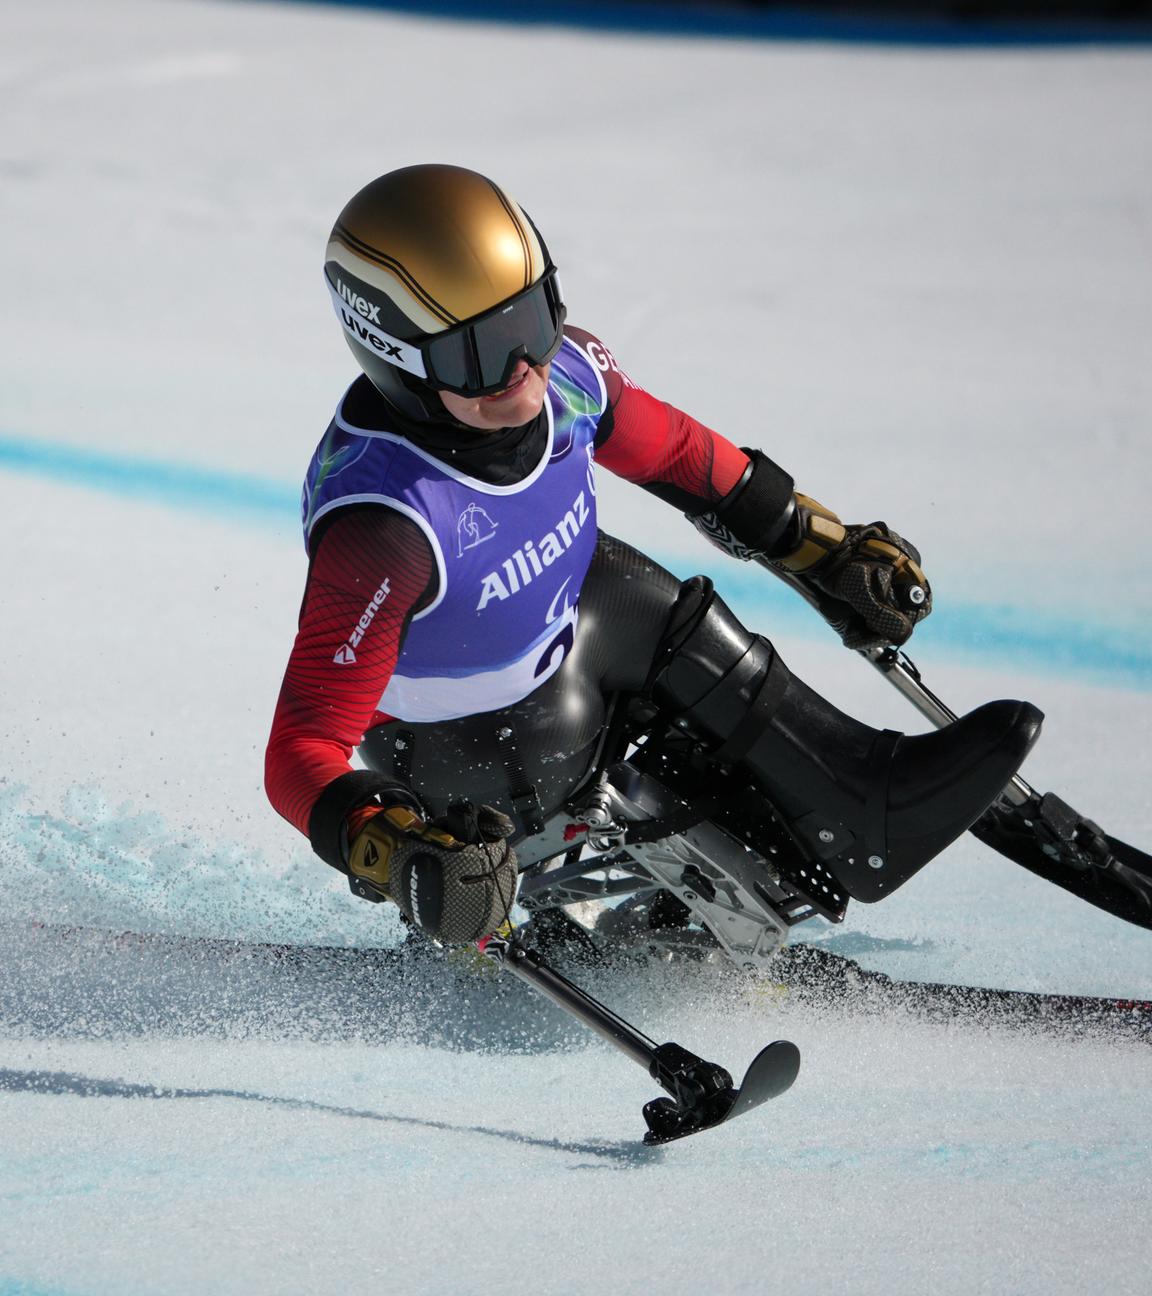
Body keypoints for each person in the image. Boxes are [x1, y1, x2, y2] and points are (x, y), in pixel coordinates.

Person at [265, 164, 1041, 946]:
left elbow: (677, 454)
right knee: (612, 583)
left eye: (533, 320)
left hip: (567, 652)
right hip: (473, 761)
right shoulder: (386, 528)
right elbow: (301, 748)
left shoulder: (567, 375)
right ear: (395, 355)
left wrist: (819, 546)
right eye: (481, 353)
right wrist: (393, 847)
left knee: (638, 590)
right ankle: (548, 888)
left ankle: (857, 807)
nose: (524, 369)